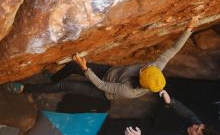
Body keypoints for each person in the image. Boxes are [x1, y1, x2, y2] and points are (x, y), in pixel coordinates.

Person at [7, 16, 199, 101]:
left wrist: (85, 69)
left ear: (142, 79)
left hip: (103, 89)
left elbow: (103, 86)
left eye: (144, 70)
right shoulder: (155, 69)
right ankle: (52, 78)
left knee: (65, 86)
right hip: (110, 72)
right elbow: (173, 50)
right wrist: (189, 29)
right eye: (148, 67)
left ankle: (25, 89)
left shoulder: (129, 91)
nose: (145, 66)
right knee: (73, 67)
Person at [123, 90, 219, 135]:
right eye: (199, 125)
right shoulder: (195, 124)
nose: (194, 126)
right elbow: (187, 113)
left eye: (196, 130)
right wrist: (170, 101)